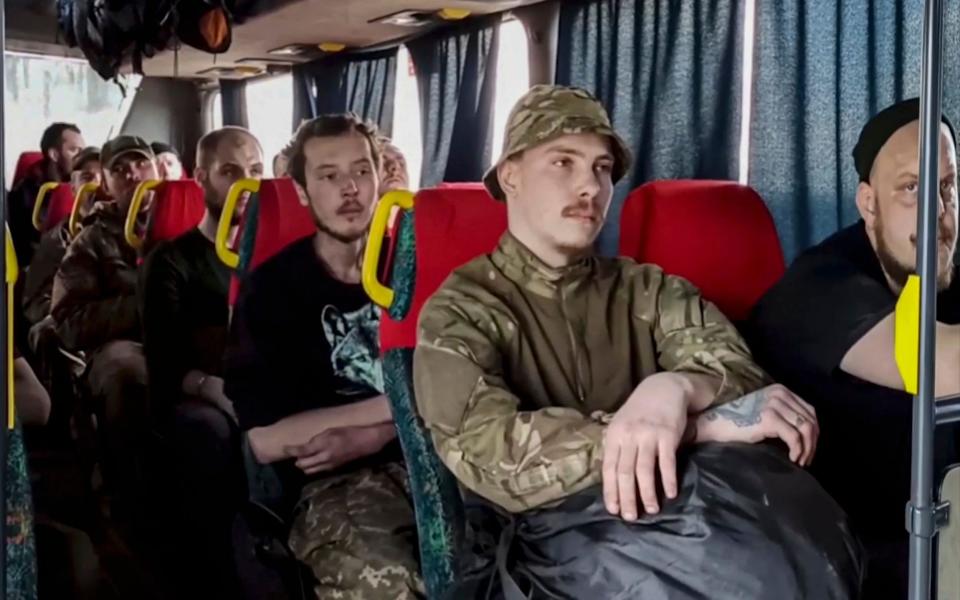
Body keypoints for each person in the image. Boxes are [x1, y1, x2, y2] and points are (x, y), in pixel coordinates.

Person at [414, 85, 862, 598]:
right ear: (510, 175)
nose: (589, 185)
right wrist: (691, 428)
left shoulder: (647, 290)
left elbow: (738, 371)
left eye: (602, 168)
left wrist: (675, 389)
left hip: (670, 512)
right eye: (563, 162)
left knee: (794, 549)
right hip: (537, 544)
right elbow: (491, 454)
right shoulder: (459, 312)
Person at [748, 98, 960, 597]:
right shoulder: (819, 288)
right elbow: (937, 365)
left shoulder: (942, 261)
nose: (938, 211)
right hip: (854, 554)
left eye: (947, 186)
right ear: (869, 203)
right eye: (912, 188)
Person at [224, 114, 424, 599]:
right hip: (334, 487)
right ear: (301, 191)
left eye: (360, 171)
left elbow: (465, 396)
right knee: (393, 584)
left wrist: (374, 433)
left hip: (438, 460)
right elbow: (267, 441)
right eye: (328, 176)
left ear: (380, 177)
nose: (349, 189)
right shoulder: (271, 291)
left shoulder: (418, 269)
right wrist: (403, 404)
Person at [139, 126, 264, 598]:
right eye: (230, 172)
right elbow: (165, 361)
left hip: (258, 385)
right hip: (196, 392)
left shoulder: (273, 256)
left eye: (255, 171)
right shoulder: (172, 260)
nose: (246, 184)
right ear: (201, 178)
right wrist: (218, 389)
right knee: (212, 433)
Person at [50, 135, 158, 537]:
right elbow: (68, 320)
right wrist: (143, 306)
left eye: (140, 164)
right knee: (127, 372)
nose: (133, 175)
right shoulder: (91, 240)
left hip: (188, 340)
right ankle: (126, 499)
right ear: (107, 185)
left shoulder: (194, 226)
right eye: (120, 170)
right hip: (118, 346)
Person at [8, 123, 85, 267]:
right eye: (74, 150)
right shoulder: (26, 194)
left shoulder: (81, 187)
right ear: (54, 155)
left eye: (83, 151)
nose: (81, 158)